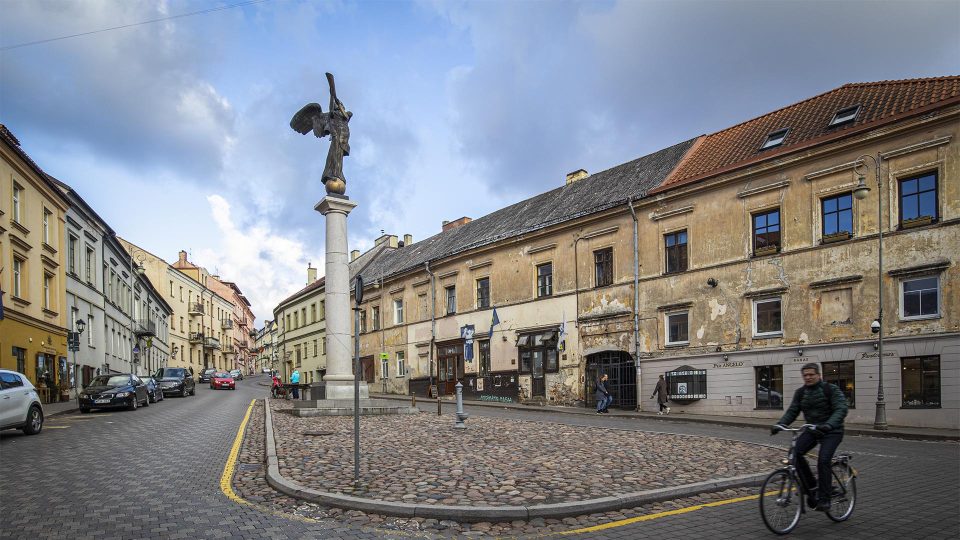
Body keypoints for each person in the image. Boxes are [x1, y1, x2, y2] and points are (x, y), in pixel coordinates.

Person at [772, 363, 848, 511]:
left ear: (818, 375)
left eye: (811, 374)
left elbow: (841, 408)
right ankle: (812, 487)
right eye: (805, 375)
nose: (808, 377)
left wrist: (829, 424)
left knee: (823, 459)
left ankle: (825, 498)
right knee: (794, 453)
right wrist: (780, 424)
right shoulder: (801, 393)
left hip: (832, 431)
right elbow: (792, 411)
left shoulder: (830, 389)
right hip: (813, 429)